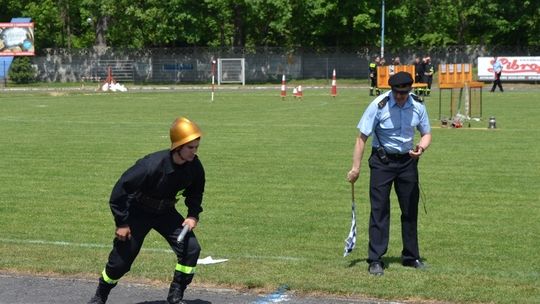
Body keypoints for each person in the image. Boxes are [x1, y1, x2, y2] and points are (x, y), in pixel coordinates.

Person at [88, 117, 206, 304]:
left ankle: (176, 295)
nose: (194, 152)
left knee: (191, 249)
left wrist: (193, 215)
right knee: (120, 263)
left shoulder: (195, 167)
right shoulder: (150, 165)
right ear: (178, 146)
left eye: (196, 147)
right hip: (138, 213)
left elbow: (196, 192)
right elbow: (121, 190)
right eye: (190, 147)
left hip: (165, 213)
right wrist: (122, 223)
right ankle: (101, 294)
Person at [346, 71, 432, 276]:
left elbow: (426, 133)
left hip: (407, 162)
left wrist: (421, 147)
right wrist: (355, 168)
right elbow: (361, 138)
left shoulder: (418, 105)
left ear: (410, 90)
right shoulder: (378, 105)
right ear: (391, 90)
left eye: (405, 93)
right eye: (397, 93)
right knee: (380, 210)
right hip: (382, 162)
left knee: (410, 210)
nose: (401, 97)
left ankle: (411, 257)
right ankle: (375, 259)